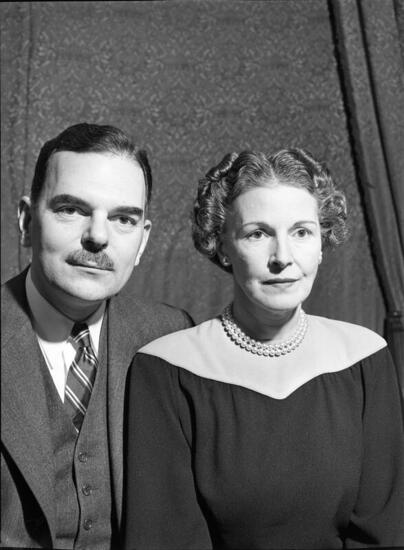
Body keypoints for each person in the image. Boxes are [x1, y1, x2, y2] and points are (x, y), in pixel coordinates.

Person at [123, 148, 404, 549]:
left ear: (322, 242)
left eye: (301, 232)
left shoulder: (366, 358)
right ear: (222, 245)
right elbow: (165, 538)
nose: (282, 258)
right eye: (258, 234)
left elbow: (385, 531)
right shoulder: (165, 368)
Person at [1, 122, 193, 549]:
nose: (98, 237)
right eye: (72, 209)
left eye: (123, 219)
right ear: (27, 221)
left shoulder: (172, 337)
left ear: (142, 241)